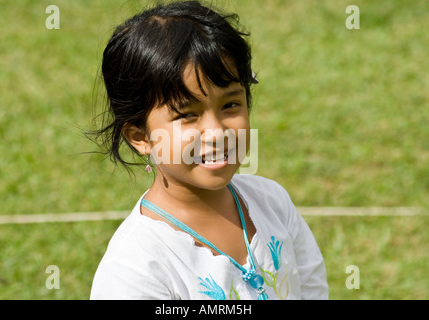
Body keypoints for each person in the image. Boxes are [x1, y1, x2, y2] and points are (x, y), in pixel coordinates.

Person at [90, 0, 328, 300]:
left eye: (230, 105)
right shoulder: (135, 268)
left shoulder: (272, 202)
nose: (216, 132)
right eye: (187, 114)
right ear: (140, 137)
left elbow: (312, 288)